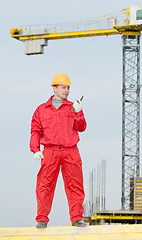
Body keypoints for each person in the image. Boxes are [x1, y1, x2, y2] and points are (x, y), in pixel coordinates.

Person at [29, 73, 87, 229]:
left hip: (71, 151)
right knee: (44, 185)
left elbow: (81, 127)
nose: (67, 90)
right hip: (50, 151)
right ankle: (42, 219)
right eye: (63, 87)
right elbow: (35, 130)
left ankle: (76, 218)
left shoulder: (73, 107)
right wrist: (35, 149)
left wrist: (77, 112)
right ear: (54, 88)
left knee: (75, 185)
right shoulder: (41, 110)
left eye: (68, 87)